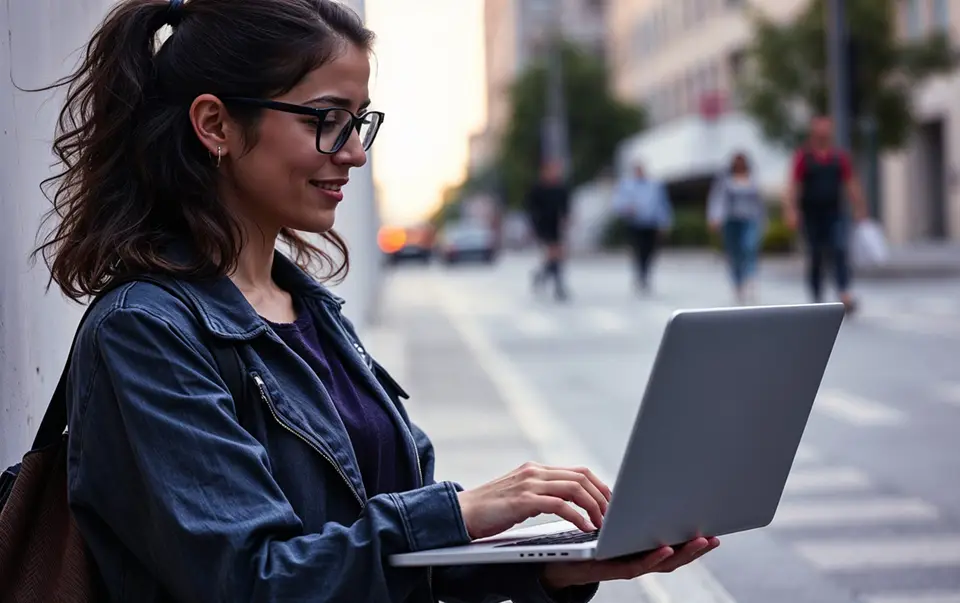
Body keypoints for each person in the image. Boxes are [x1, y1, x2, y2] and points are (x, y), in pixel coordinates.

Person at [32, 1, 719, 601]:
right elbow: (252, 581)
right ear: (215, 125)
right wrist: (458, 511)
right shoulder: (144, 335)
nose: (354, 153)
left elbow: (378, 561)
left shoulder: (309, 310)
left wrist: (547, 568)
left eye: (361, 121)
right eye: (328, 120)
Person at [783, 115, 869, 313]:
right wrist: (791, 210)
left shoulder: (839, 157)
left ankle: (843, 291)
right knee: (815, 255)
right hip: (811, 214)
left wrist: (859, 206)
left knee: (839, 249)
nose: (823, 132)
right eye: (819, 129)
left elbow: (850, 183)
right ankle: (816, 294)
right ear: (813, 132)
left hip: (835, 212)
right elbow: (794, 185)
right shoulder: (804, 158)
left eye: (826, 129)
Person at [708, 153, 766, 305]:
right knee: (734, 254)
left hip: (750, 219)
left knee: (749, 247)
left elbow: (759, 202)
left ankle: (750, 277)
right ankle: (737, 283)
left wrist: (763, 221)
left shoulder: (752, 179)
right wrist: (715, 217)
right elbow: (717, 199)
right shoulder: (725, 180)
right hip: (731, 220)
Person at [612, 161, 673, 295]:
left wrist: (665, 222)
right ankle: (640, 274)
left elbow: (662, 204)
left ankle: (645, 273)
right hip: (634, 223)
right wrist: (627, 209)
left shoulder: (654, 185)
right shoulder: (626, 185)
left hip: (651, 223)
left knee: (650, 251)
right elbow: (617, 204)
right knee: (637, 250)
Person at [527, 160, 571, 301]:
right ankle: (559, 287)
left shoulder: (560, 188)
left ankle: (540, 276)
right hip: (543, 225)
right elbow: (532, 209)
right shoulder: (538, 189)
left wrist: (566, 219)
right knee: (554, 254)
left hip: (556, 225)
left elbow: (565, 207)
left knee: (557, 256)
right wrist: (534, 227)